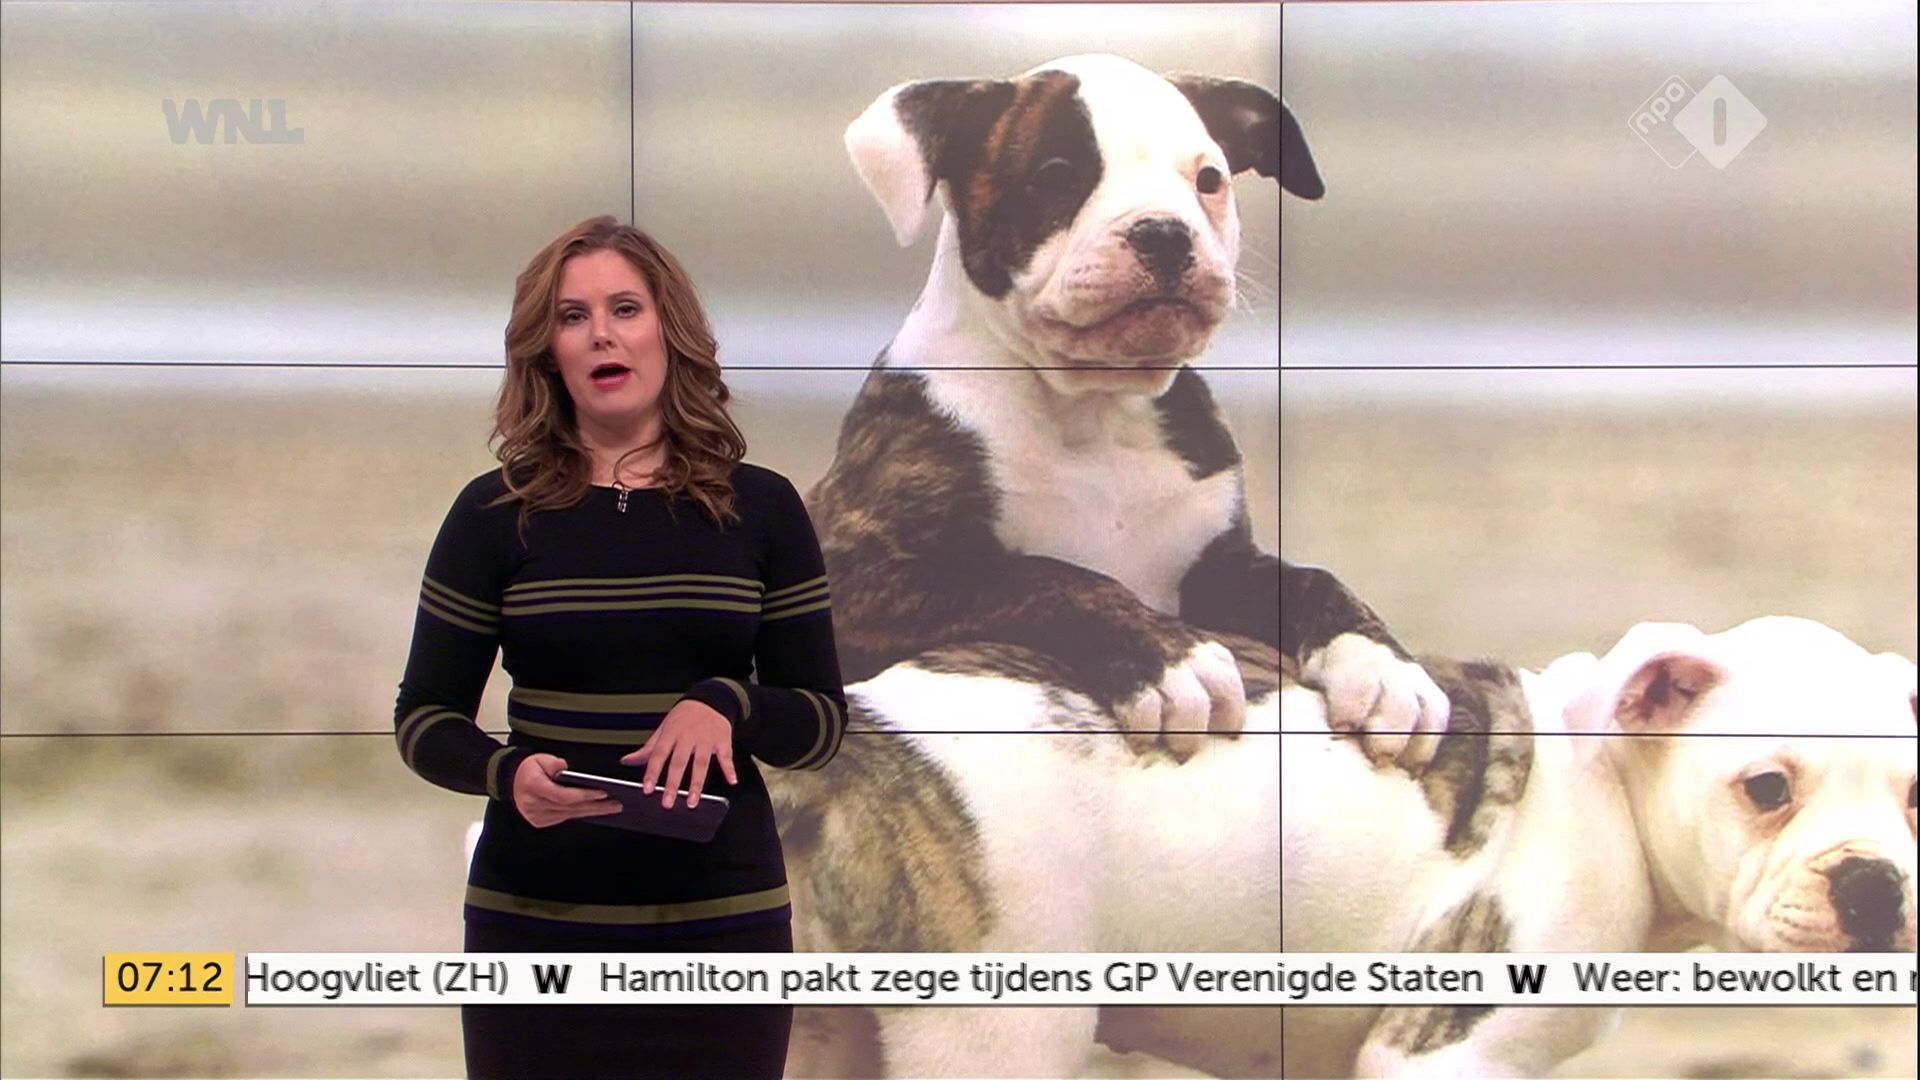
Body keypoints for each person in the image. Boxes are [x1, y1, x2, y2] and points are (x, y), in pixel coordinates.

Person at [392, 215, 846, 1080]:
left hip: (723, 930)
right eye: (573, 317)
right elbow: (423, 719)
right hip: (534, 929)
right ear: (548, 353)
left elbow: (820, 724)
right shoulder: (491, 516)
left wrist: (727, 704)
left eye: (625, 309)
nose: (601, 332)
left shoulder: (761, 509)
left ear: (669, 332)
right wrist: (504, 775)